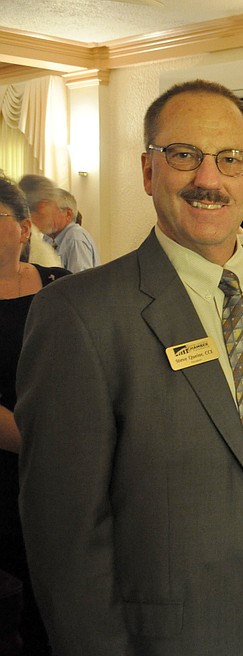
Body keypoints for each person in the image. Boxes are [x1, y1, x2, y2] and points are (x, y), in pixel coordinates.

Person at [15, 80, 243, 656]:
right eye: (183, 156)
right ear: (147, 171)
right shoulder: (79, 315)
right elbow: (64, 536)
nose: (209, 180)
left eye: (230, 159)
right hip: (168, 636)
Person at [0, 173, 70, 655]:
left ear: (25, 228)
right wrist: (49, 444)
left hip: (66, 473)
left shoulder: (61, 288)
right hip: (10, 471)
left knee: (59, 601)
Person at [18, 176, 100, 272]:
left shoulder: (75, 237)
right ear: (43, 206)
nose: (53, 213)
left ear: (68, 214)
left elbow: (80, 281)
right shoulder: (40, 242)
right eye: (53, 206)